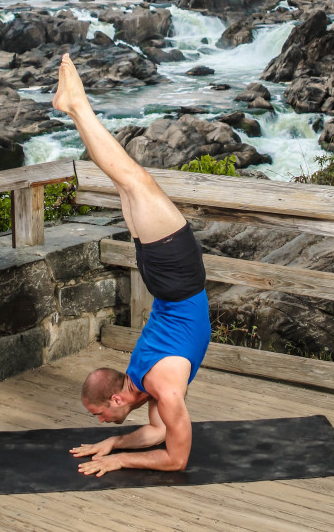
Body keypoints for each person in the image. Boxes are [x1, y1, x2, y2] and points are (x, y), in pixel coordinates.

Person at [52, 52, 210, 478]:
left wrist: (119, 456)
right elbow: (161, 440)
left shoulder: (153, 385)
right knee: (127, 180)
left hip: (175, 280)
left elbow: (173, 456)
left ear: (119, 399)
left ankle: (76, 105)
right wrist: (116, 441)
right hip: (169, 279)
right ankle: (75, 104)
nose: (99, 420)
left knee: (129, 179)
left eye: (99, 416)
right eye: (99, 419)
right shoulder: (150, 385)